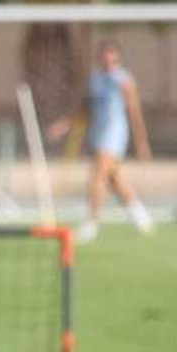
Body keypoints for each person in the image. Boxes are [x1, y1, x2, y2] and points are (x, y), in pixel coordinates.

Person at [47, 41, 154, 245]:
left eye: (113, 57)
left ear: (118, 58)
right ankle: (140, 216)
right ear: (100, 58)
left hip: (115, 136)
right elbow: (84, 110)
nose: (109, 60)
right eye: (105, 56)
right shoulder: (94, 81)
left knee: (97, 177)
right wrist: (64, 125)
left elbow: (134, 111)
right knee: (114, 180)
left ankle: (90, 224)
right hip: (98, 135)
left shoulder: (124, 80)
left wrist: (142, 141)